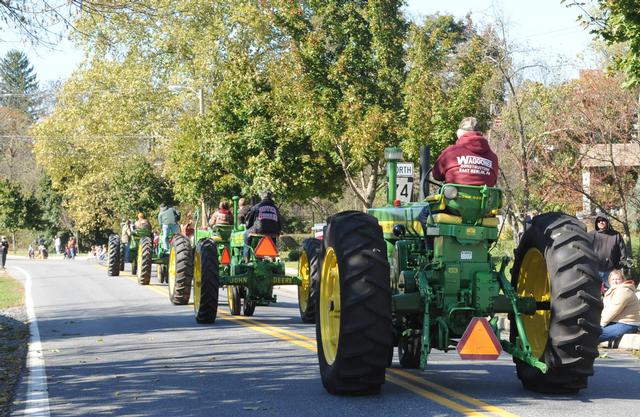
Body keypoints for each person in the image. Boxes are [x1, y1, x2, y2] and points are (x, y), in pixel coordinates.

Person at [432, 116, 499, 186]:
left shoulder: (450, 152)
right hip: (484, 196)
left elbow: (436, 175)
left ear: (459, 133)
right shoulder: (493, 157)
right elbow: (493, 180)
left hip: (455, 196)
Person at [598, 269, 640, 343]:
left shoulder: (624, 291)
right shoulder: (613, 290)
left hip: (627, 323)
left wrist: (601, 324)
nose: (615, 281)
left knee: (596, 335)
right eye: (613, 279)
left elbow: (613, 310)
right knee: (592, 332)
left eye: (617, 279)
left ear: (623, 280)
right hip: (616, 321)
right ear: (609, 281)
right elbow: (606, 309)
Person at [590, 215, 630, 290]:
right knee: (595, 293)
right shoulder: (591, 235)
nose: (601, 222)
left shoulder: (616, 235)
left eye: (603, 220)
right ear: (596, 223)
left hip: (611, 271)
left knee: (612, 292)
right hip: (595, 270)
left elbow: (623, 251)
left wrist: (619, 266)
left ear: (607, 222)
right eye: (598, 221)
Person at [243, 190, 282, 260]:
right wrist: (278, 230)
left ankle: (246, 258)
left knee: (246, 234)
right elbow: (279, 221)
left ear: (262, 197)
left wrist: (248, 227)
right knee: (272, 235)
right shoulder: (275, 208)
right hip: (274, 231)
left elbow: (249, 220)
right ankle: (273, 258)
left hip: (259, 229)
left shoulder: (257, 206)